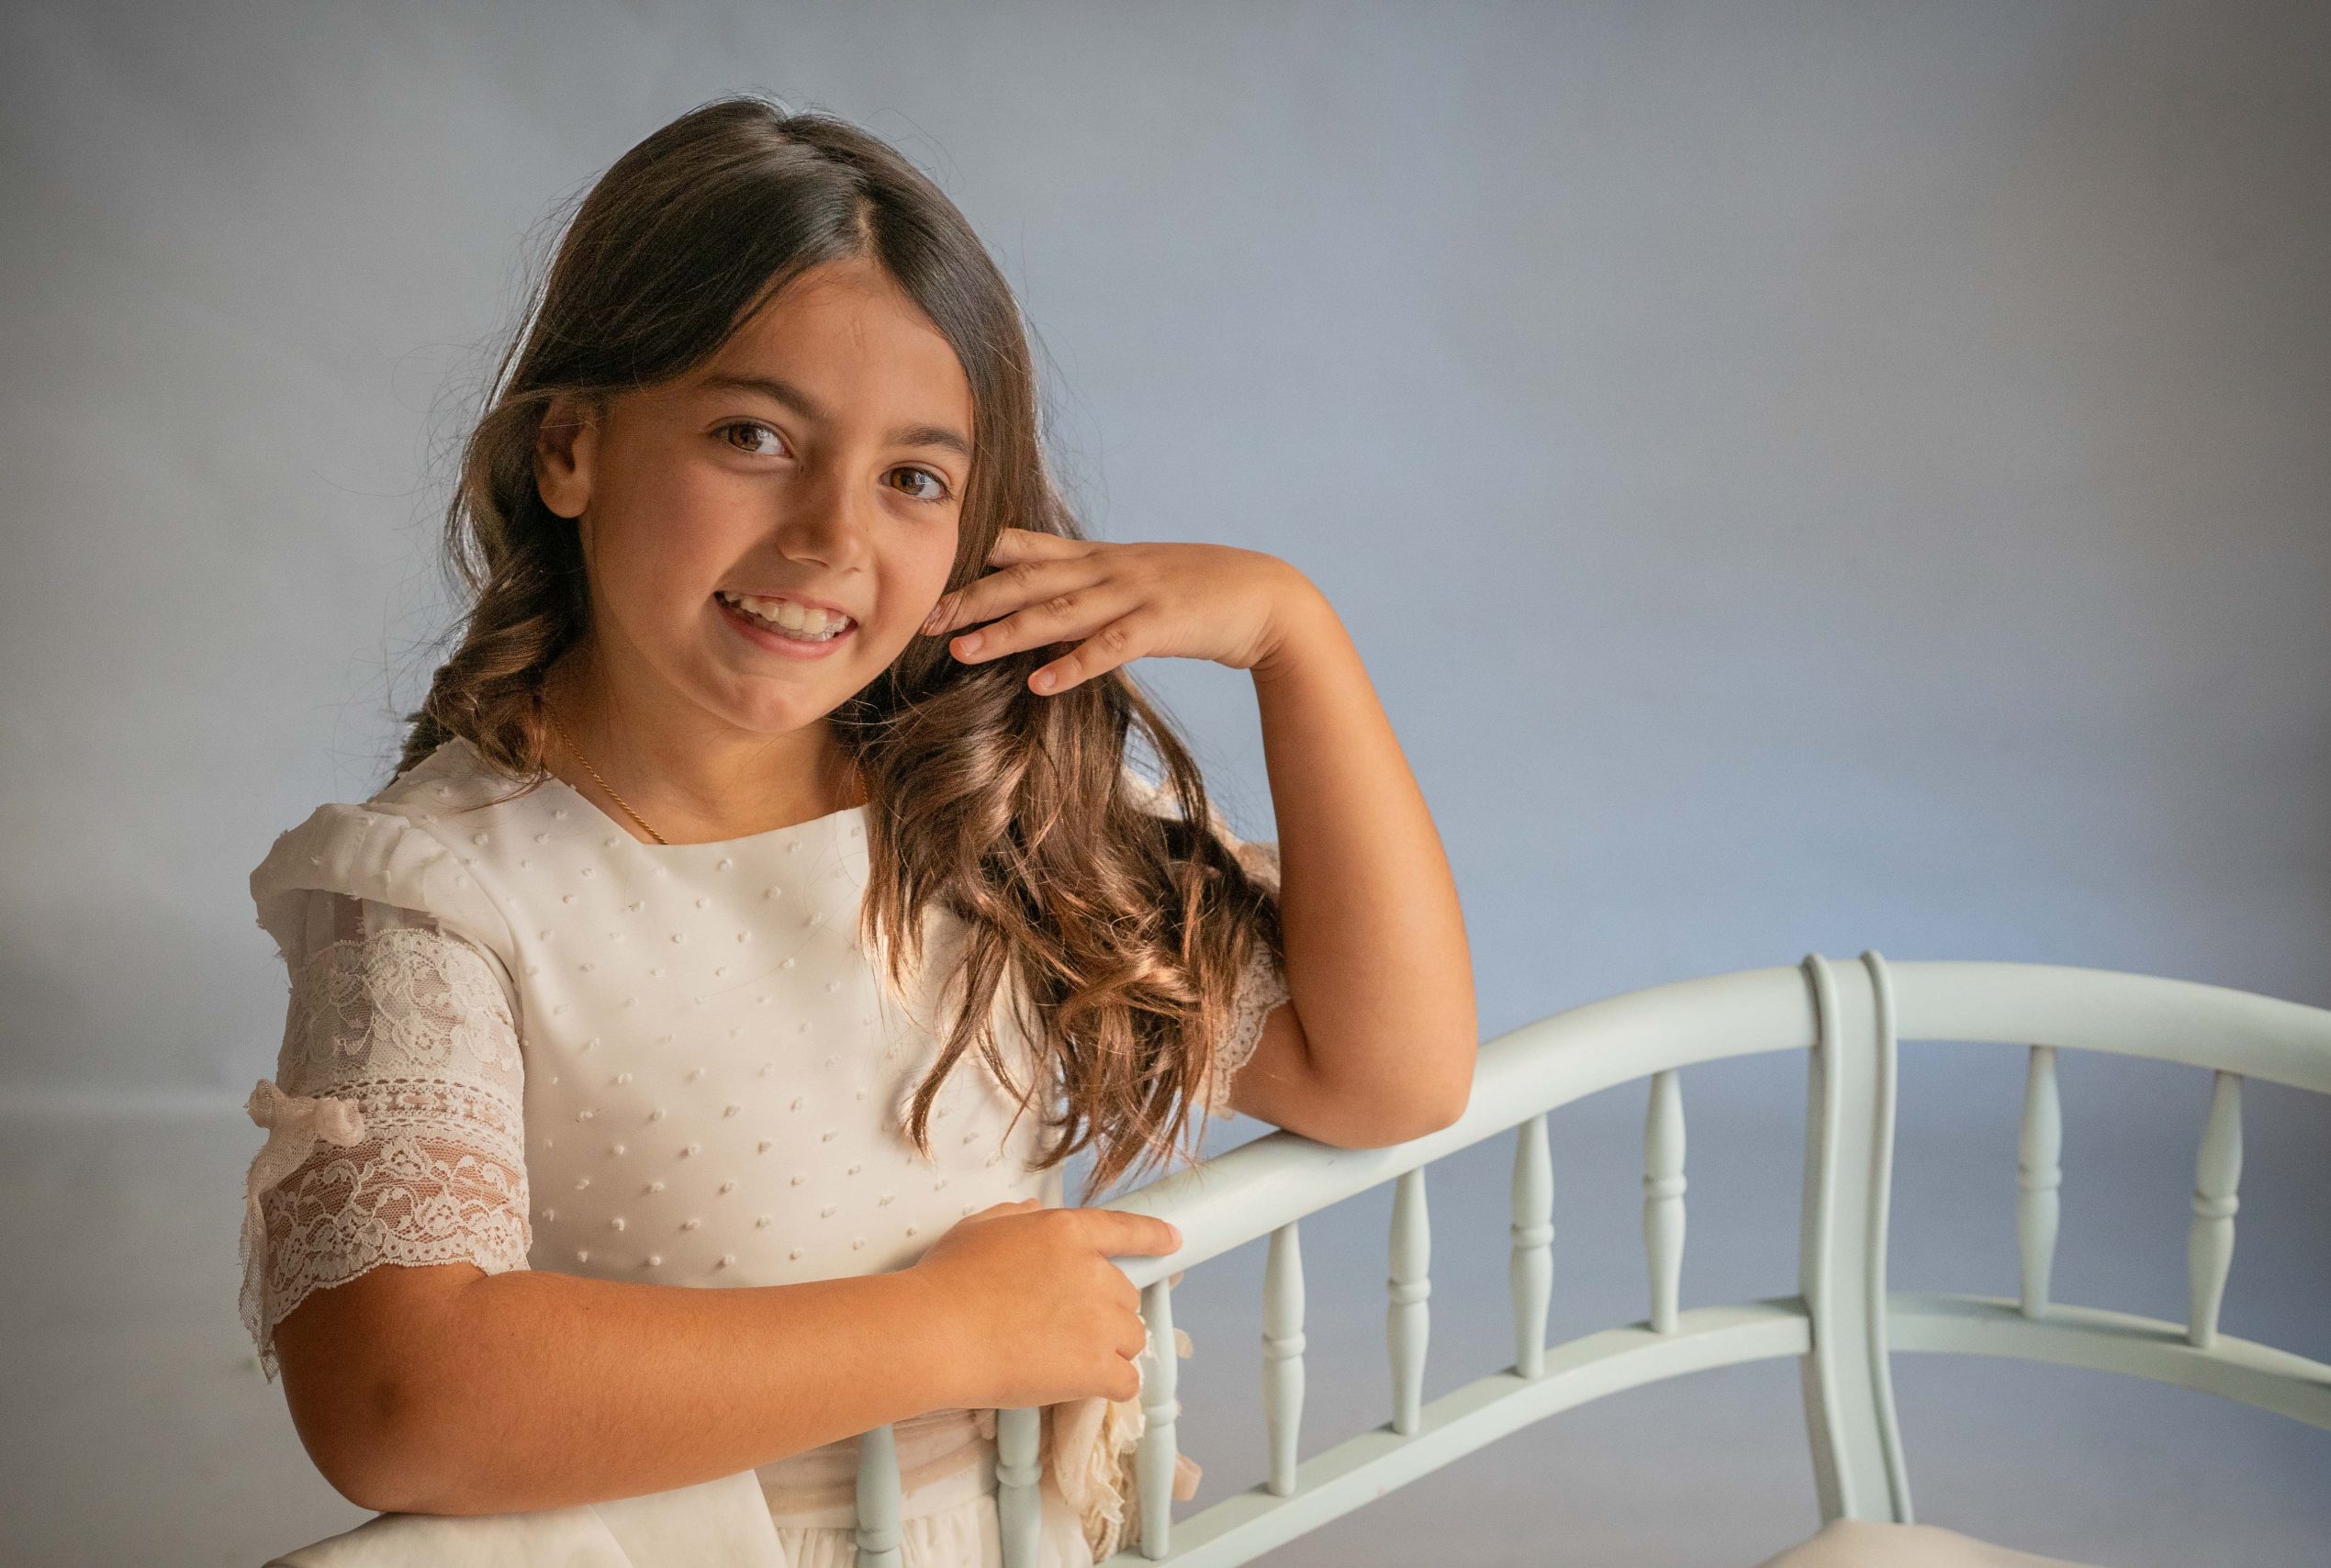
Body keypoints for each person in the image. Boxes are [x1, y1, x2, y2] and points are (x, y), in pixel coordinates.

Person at [239, 94, 1478, 1567]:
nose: (831, 536)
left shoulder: (979, 817)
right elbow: (404, 1404)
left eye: (912, 479)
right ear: (570, 447)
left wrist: (1295, 635)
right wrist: (943, 1331)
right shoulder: (446, 891)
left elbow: (1386, 1074)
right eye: (754, 434)